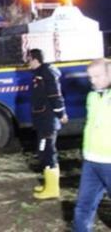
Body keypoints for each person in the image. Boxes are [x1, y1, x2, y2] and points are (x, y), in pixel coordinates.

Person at [73, 59, 111, 232]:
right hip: (91, 161)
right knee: (83, 206)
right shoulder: (92, 96)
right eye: (90, 77)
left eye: (97, 76)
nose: (93, 81)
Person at [27, 48, 68, 199]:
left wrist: (61, 113)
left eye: (29, 59)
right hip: (43, 120)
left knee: (48, 153)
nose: (27, 63)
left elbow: (55, 95)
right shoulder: (39, 74)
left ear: (35, 59)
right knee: (43, 152)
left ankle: (52, 190)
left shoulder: (46, 74)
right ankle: (48, 185)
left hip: (47, 121)